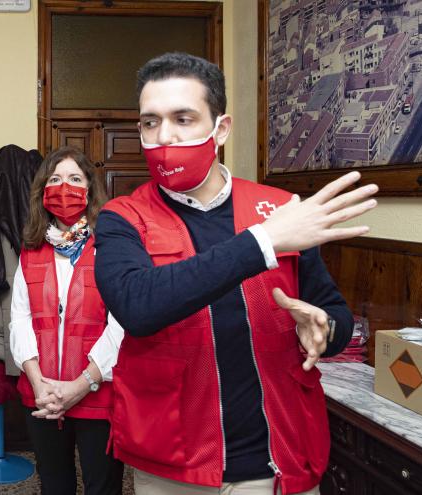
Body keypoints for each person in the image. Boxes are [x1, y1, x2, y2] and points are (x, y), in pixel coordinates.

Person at [94, 52, 379, 495]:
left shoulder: (279, 209)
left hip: (280, 454)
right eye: (150, 123)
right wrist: (263, 242)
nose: (164, 136)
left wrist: (326, 331)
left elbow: (332, 313)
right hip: (176, 462)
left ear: (220, 129)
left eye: (183, 118)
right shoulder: (123, 218)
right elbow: (139, 307)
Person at [10, 146, 125, 494]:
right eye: (55, 179)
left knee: (101, 484)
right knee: (54, 483)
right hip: (42, 395)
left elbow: (120, 325)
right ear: (43, 192)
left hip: (97, 393)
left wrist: (80, 386)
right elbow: (20, 319)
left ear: (89, 190)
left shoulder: (110, 246)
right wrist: (38, 383)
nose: (65, 188)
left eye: (75, 179)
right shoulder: (31, 250)